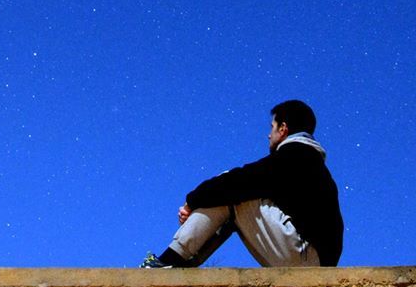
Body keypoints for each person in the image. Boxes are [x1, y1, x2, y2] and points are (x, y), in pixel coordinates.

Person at [141, 100, 343, 268]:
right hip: (312, 257)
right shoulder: (309, 163)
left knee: (232, 192)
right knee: (232, 195)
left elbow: (236, 181)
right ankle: (180, 264)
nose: (268, 134)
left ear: (283, 129)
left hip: (305, 256)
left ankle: (169, 261)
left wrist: (191, 202)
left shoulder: (295, 156)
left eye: (272, 127)